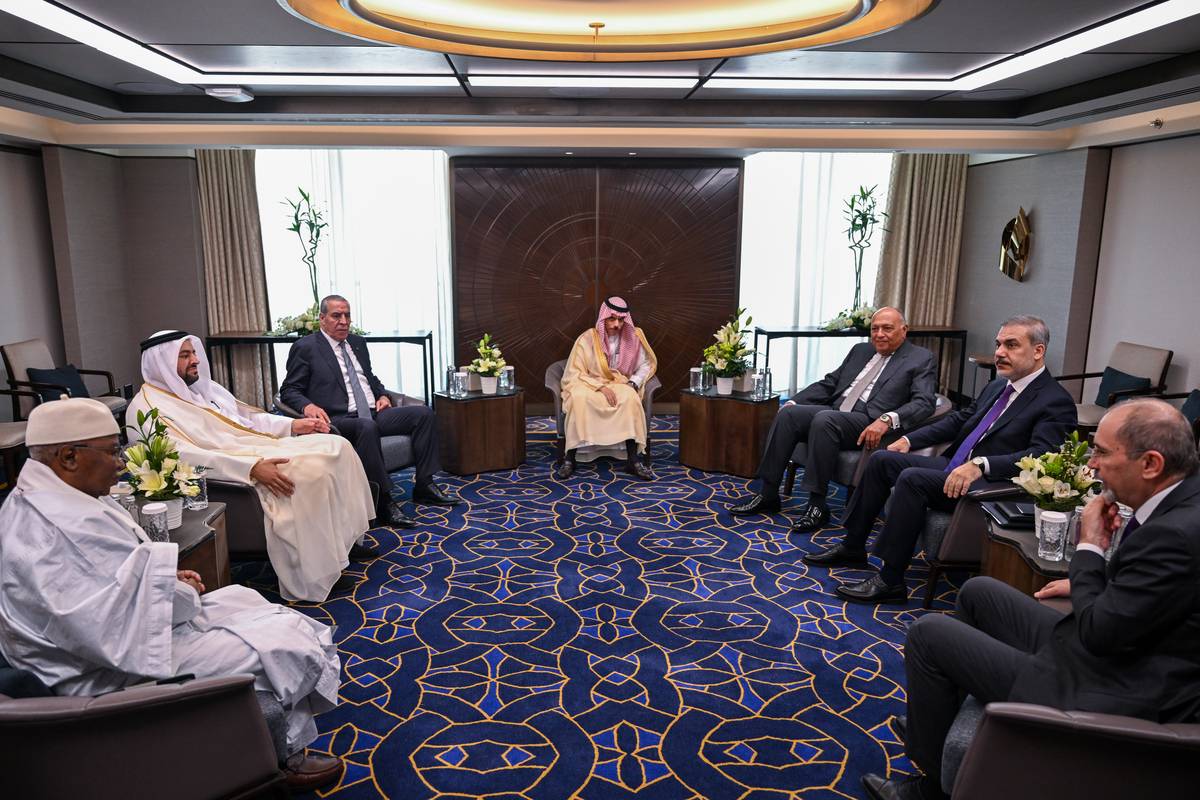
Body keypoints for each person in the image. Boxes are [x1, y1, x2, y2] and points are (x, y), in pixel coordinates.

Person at [0, 398, 346, 792]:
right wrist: (174, 588)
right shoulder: (56, 527)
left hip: (119, 641)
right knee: (288, 642)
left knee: (248, 601)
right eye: (112, 451)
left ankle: (278, 746)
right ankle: (282, 755)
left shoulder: (42, 499)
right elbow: (105, 629)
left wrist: (164, 578)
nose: (121, 463)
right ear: (68, 457)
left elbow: (107, 588)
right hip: (109, 673)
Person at [863, 398, 1200, 800]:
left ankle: (933, 786)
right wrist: (1102, 581)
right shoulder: (1181, 502)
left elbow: (1099, 634)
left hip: (1108, 684)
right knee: (977, 591)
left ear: (1151, 464)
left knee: (928, 633)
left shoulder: (1176, 533)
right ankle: (937, 722)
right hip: (1113, 649)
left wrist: (1089, 549)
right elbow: (1168, 590)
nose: (1091, 464)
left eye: (1102, 453)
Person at [805, 315, 1077, 603]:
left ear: (1038, 351)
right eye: (998, 344)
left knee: (912, 479)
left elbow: (1040, 459)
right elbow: (960, 420)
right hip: (955, 468)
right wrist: (909, 440)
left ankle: (891, 580)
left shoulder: (1054, 401)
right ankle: (853, 546)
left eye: (1011, 345)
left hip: (988, 486)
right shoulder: (999, 386)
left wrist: (981, 465)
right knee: (883, 460)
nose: (999, 353)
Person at [128, 330, 375, 603]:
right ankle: (315, 573)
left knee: (337, 446)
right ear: (160, 362)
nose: (195, 360)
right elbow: (184, 457)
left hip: (256, 445)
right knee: (312, 472)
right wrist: (250, 468)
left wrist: (292, 425)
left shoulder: (203, 389)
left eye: (194, 353)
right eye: (185, 355)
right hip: (236, 463)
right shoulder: (146, 409)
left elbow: (248, 419)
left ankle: (344, 544)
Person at [729, 307, 937, 532]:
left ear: (904, 331)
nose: (879, 334)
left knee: (824, 419)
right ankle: (768, 494)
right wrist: (795, 401)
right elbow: (830, 383)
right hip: (836, 410)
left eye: (887, 328)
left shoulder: (920, 358)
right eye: (874, 328)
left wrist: (888, 419)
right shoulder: (861, 350)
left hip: (867, 419)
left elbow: (924, 402)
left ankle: (817, 506)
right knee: (789, 414)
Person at [280, 295, 458, 525]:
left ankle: (425, 484)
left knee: (423, 413)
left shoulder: (357, 343)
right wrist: (307, 405)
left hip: (373, 413)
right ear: (322, 319)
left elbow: (369, 379)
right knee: (367, 426)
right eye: (336, 316)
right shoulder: (306, 347)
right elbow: (289, 390)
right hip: (338, 419)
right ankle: (383, 500)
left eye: (347, 315)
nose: (343, 321)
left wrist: (382, 395)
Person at [557, 296, 658, 480]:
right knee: (578, 398)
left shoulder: (633, 337)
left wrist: (633, 382)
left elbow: (645, 365)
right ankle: (570, 459)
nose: (616, 325)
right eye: (612, 319)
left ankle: (633, 460)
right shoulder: (587, 338)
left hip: (619, 382)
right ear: (604, 319)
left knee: (629, 397)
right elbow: (575, 371)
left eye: (620, 320)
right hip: (588, 382)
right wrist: (600, 387)